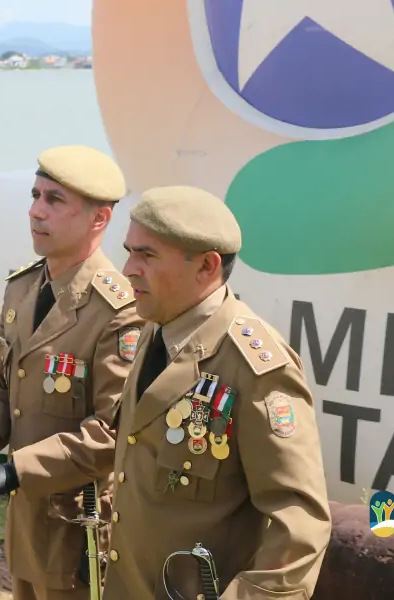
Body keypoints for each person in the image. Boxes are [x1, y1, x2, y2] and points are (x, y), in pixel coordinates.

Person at [102, 185, 332, 600]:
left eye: (147, 255)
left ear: (207, 267)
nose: (128, 269)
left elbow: (299, 524)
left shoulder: (255, 367)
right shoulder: (156, 328)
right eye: (130, 251)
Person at [0, 145, 145, 600]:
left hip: (80, 528)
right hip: (27, 524)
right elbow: (6, 386)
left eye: (55, 201)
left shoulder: (120, 310)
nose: (36, 211)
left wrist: (11, 472)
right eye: (36, 195)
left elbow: (112, 434)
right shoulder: (22, 290)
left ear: (99, 220)